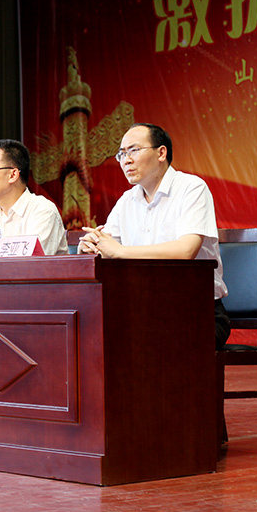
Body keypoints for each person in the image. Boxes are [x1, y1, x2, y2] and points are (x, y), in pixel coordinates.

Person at [77, 123, 231, 349]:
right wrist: (92, 247)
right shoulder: (126, 201)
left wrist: (120, 251)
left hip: (196, 310)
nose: (126, 160)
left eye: (134, 150)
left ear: (161, 153)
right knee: (89, 337)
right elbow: (107, 247)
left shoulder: (192, 189)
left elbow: (186, 250)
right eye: (121, 154)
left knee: (140, 345)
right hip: (141, 308)